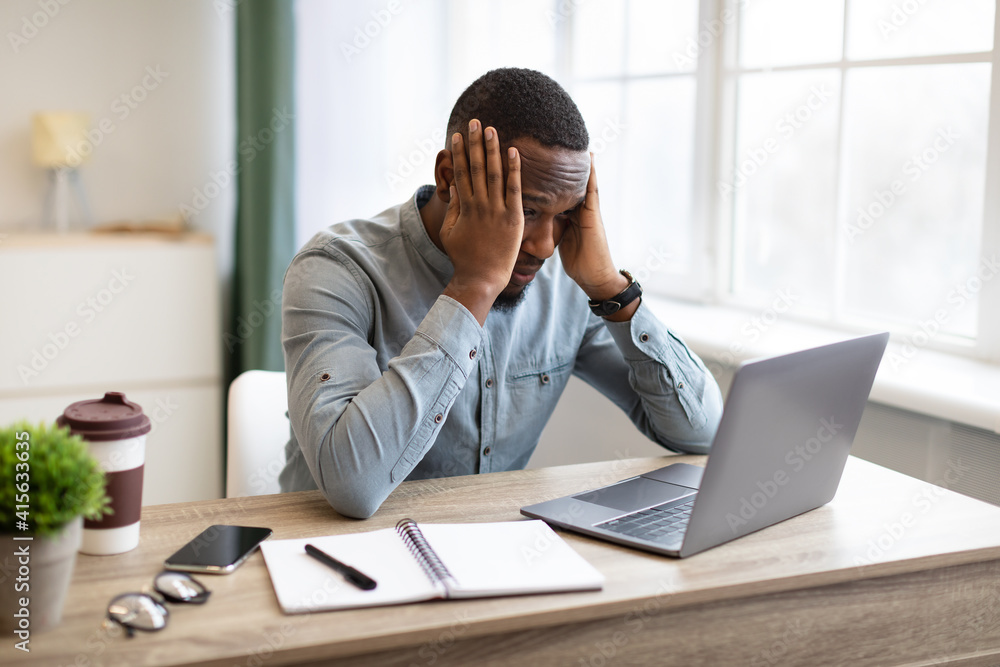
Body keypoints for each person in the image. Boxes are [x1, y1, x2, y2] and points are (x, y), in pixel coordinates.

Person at [279, 67, 723, 518]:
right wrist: (474, 286)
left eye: (566, 214)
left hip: (495, 545)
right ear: (449, 177)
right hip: (333, 551)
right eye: (526, 210)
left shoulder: (567, 283)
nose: (545, 246)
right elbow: (352, 486)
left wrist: (611, 288)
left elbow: (703, 434)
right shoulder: (336, 269)